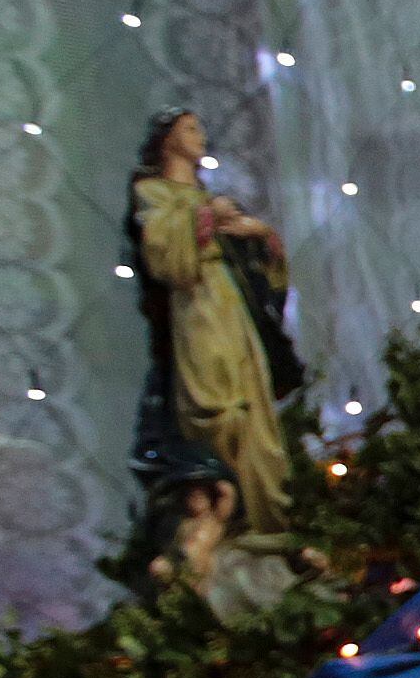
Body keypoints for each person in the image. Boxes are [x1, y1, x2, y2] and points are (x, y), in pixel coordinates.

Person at [126, 108, 299, 530]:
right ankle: (227, 506)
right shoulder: (152, 192)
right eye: (190, 129)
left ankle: (266, 515)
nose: (200, 136)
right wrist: (205, 219)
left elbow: (261, 268)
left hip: (232, 304)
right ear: (168, 139)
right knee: (215, 405)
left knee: (253, 404)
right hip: (197, 305)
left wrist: (259, 236)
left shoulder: (206, 196)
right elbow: (164, 257)